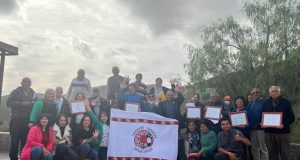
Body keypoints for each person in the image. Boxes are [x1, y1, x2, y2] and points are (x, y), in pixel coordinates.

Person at [6, 77, 35, 160]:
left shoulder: (33, 93)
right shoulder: (15, 92)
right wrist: (21, 103)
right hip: (16, 120)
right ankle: (13, 158)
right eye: (25, 82)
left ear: (30, 83)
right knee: (14, 141)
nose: (26, 83)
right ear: (21, 82)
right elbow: (8, 102)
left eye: (28, 82)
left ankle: (23, 157)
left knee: (25, 141)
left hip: (27, 121)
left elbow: (36, 104)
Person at [263, 86, 295, 160]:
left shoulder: (286, 102)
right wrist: (262, 123)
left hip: (283, 132)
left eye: (276, 91)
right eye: (272, 91)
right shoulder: (266, 103)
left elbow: (292, 117)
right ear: (270, 93)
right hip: (269, 132)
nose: (274, 92)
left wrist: (283, 124)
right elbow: (263, 115)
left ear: (279, 92)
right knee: (272, 153)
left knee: (285, 153)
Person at [247, 88, 268, 160]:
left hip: (261, 129)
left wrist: (261, 123)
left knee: (263, 148)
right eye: (253, 93)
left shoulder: (265, 102)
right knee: (254, 148)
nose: (255, 94)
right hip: (252, 129)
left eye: (257, 92)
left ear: (260, 93)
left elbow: (268, 115)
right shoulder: (251, 103)